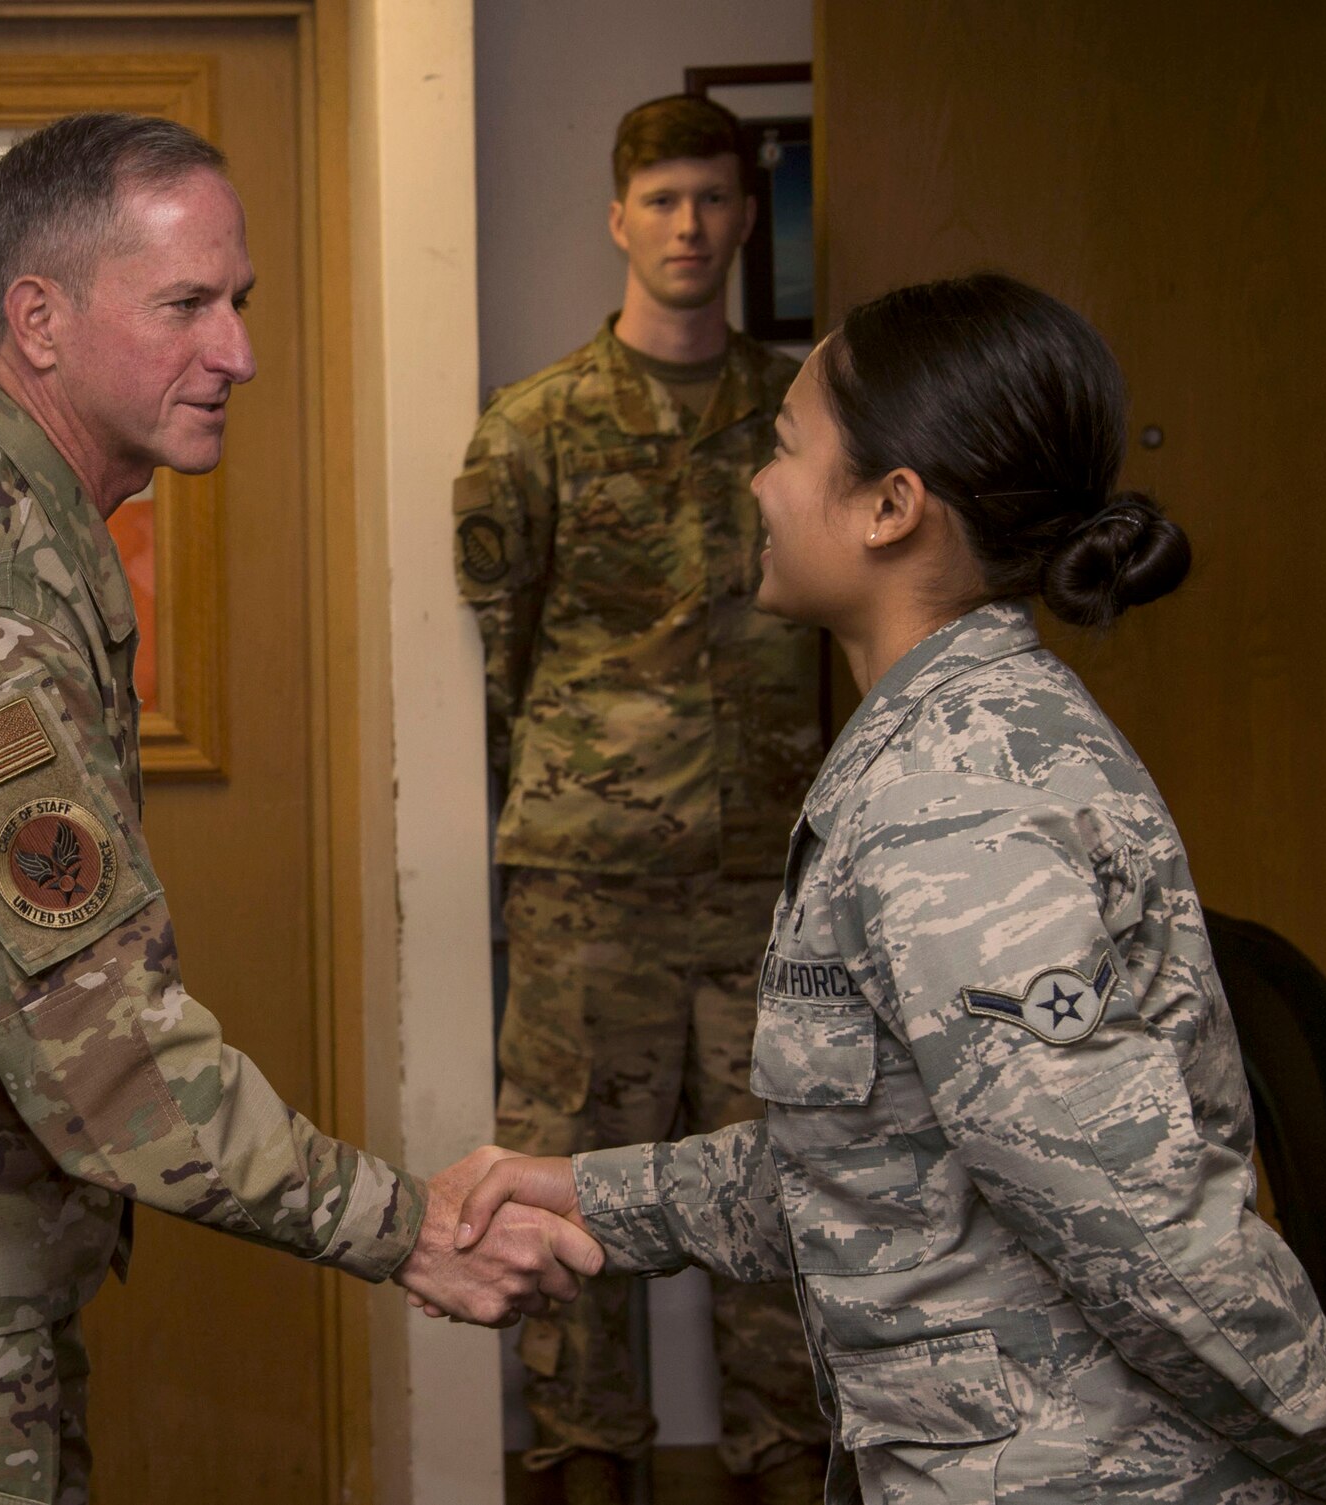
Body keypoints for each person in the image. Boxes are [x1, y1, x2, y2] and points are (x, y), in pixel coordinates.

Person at [0, 112, 600, 1504]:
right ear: (38, 320)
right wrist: (407, 1226)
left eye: (240, 304)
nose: (239, 353)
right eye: (186, 306)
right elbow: (109, 1057)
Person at [454, 273, 1326, 1504]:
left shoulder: (958, 798)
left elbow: (1134, 1230)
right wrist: (583, 1188)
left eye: (784, 446)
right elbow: (871, 1164)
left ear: (887, 507)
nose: (755, 482)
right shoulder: (925, 754)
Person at [451, 94, 831, 1504]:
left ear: (745, 215)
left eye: (715, 199)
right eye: (662, 199)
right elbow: (503, 647)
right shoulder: (533, 427)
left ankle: (787, 1462)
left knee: (784, 1180)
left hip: (764, 883)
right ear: (619, 217)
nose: (689, 226)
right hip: (588, 885)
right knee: (568, 1187)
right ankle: (587, 1460)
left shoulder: (804, 422)